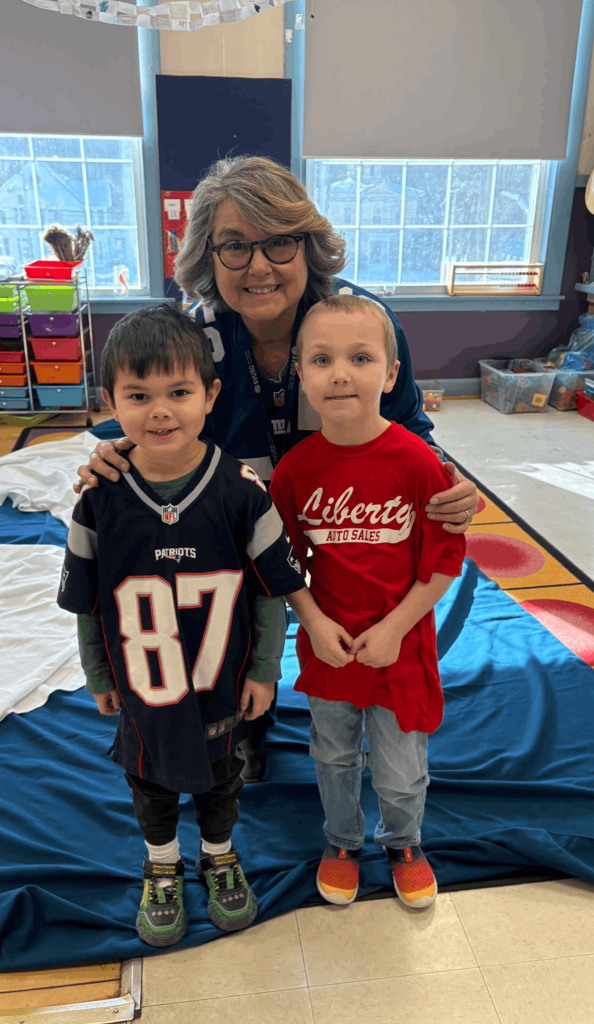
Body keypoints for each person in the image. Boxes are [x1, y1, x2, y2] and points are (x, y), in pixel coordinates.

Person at [75, 156, 478, 782]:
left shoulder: (361, 325)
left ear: (308, 247)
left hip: (338, 513)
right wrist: (113, 451)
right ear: (207, 258)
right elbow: (163, 419)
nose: (258, 266)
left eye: (279, 242)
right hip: (245, 513)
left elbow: (413, 431)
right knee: (204, 568)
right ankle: (240, 717)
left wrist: (450, 483)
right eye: (234, 246)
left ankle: (378, 700)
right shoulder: (196, 336)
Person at [58, 304, 305, 946]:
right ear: (108, 399)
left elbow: (270, 592)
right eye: (138, 395)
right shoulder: (97, 502)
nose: (160, 410)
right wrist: (96, 672)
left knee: (224, 780)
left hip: (222, 681)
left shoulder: (242, 491)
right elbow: (87, 602)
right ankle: (162, 862)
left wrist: (264, 670)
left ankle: (218, 854)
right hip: (145, 685)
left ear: (210, 394)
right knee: (150, 782)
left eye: (179, 392)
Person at [270, 294, 467, 909]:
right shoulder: (294, 472)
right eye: (321, 359)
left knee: (401, 765)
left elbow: (444, 562)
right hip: (328, 646)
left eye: (360, 358)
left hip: (400, 650)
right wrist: (314, 620)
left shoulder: (417, 463)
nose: (340, 374)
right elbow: (281, 565)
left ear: (390, 373)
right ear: (300, 374)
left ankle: (403, 840)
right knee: (331, 754)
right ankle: (342, 840)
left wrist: (395, 628)